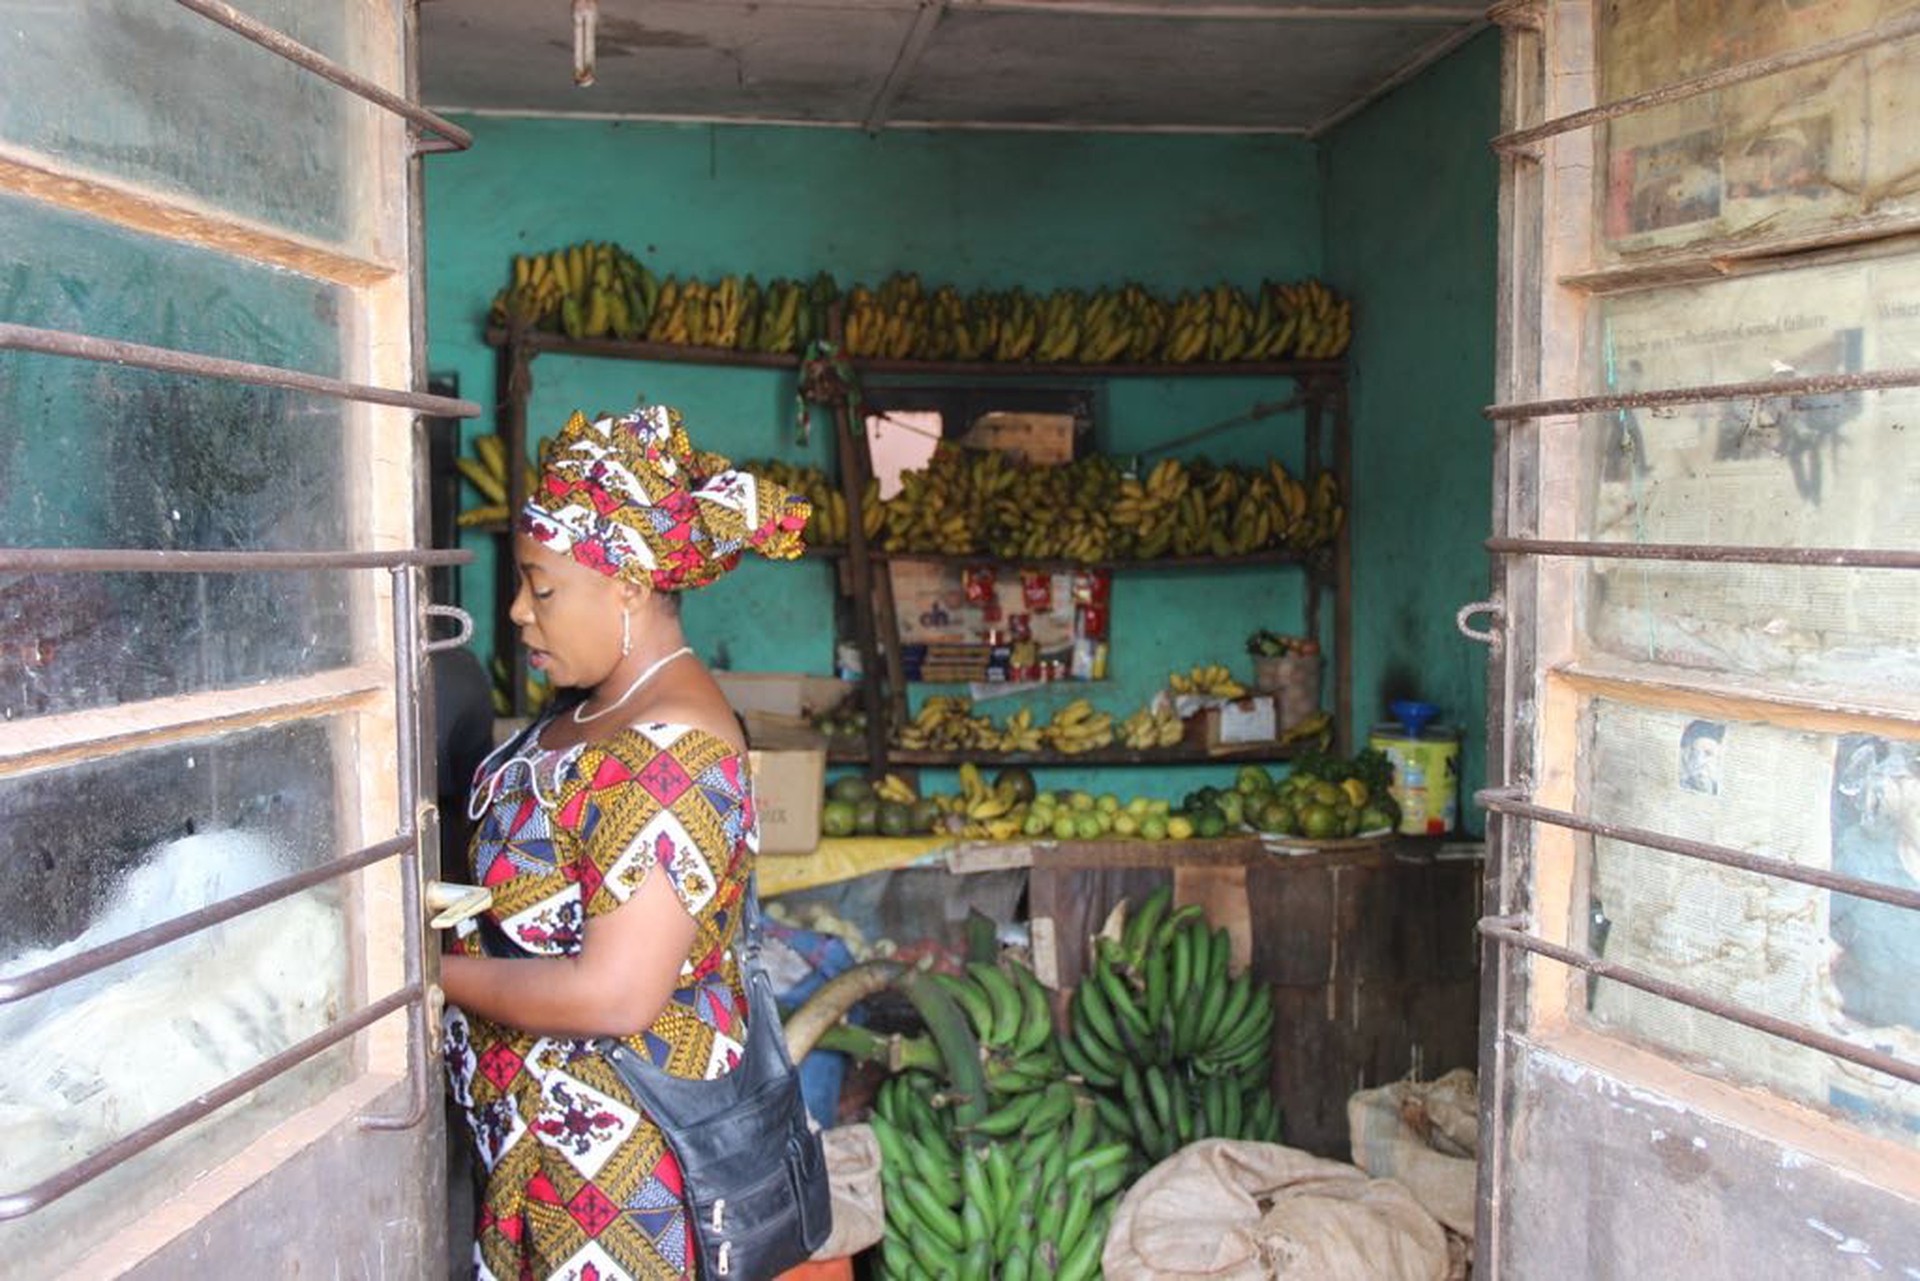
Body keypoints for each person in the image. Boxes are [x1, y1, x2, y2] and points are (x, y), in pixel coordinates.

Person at [440, 403, 810, 1280]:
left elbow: (615, 993)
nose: (519, 612)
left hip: (617, 1194)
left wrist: (425, 976)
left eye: (543, 584)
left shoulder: (670, 751)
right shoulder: (597, 708)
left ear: (630, 586)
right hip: (541, 1164)